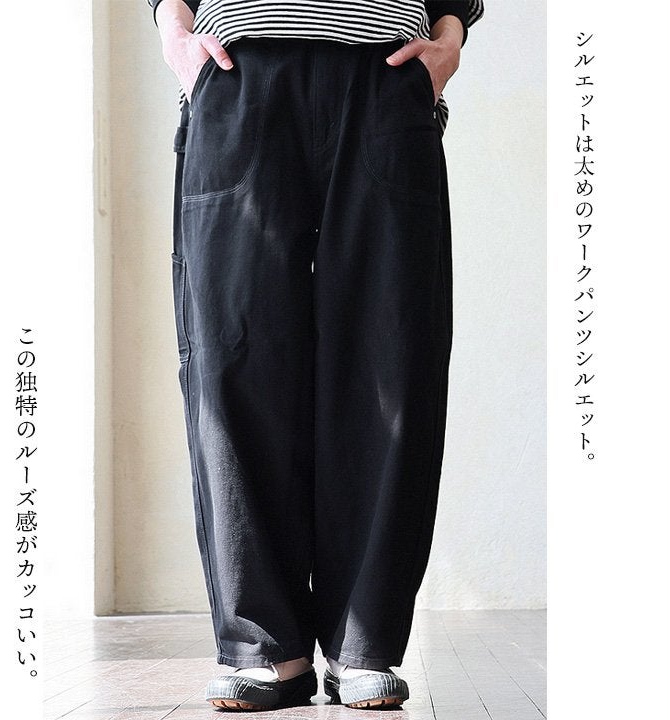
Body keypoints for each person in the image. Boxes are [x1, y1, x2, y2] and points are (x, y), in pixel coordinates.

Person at [148, 0, 484, 711]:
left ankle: (365, 643)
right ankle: (265, 646)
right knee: (233, 358)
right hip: (239, 67)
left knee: (392, 358)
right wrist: (173, 29)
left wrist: (452, 30)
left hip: (385, 70)